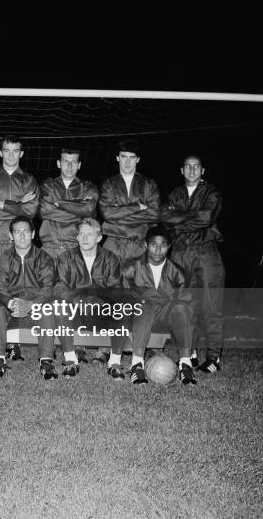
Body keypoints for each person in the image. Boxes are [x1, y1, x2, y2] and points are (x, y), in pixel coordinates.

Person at [96, 140, 160, 364]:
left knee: (138, 297)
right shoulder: (108, 184)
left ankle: (137, 346)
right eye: (124, 156)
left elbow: (153, 215)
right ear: (117, 158)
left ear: (138, 160)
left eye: (132, 157)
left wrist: (121, 212)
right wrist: (136, 208)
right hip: (113, 244)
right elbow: (107, 215)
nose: (127, 161)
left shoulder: (149, 184)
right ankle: (107, 347)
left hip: (139, 245)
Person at [161, 155, 225, 373]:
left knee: (210, 306)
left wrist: (178, 221)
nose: (191, 170)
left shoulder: (211, 192)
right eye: (187, 167)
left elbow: (205, 218)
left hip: (205, 253)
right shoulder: (176, 193)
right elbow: (164, 217)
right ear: (181, 170)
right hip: (179, 253)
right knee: (184, 306)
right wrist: (187, 218)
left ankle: (214, 357)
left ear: (202, 170)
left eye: (196, 166)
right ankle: (189, 353)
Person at [54, 218, 130, 380]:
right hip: (76, 313)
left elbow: (116, 290)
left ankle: (114, 363)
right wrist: (79, 300)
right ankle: (70, 360)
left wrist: (96, 300)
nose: (84, 238)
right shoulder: (65, 258)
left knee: (122, 307)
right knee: (59, 306)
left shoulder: (111, 258)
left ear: (99, 238)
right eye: (81, 234)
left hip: (100, 313)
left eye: (89, 234)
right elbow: (59, 288)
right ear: (77, 237)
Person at [123, 225, 196, 385]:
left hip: (164, 316)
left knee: (183, 308)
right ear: (146, 245)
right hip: (139, 314)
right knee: (144, 305)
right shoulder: (131, 268)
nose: (158, 249)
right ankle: (137, 365)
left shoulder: (178, 272)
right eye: (153, 244)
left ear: (168, 247)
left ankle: (185, 364)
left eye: (163, 245)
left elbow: (186, 302)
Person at [0, 217, 55, 377]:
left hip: (34, 307)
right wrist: (11, 303)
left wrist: (31, 304)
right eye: (17, 232)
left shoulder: (44, 258)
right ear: (11, 236)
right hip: (11, 307)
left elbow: (48, 288)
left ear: (33, 234)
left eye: (26, 231)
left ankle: (46, 361)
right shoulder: (3, 259)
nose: (22, 236)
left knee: (48, 309)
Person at [0, 135, 40, 261]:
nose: (11, 156)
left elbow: (30, 212)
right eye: (7, 151)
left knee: (19, 280)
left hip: (19, 243)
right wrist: (19, 205)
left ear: (21, 154)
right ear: (0, 153)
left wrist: (0, 204)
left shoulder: (29, 180)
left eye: (15, 151)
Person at [39, 148, 98, 259]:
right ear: (58, 163)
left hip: (75, 249)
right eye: (66, 161)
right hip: (49, 249)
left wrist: (60, 203)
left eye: (74, 162)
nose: (70, 166)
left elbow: (89, 210)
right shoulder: (48, 186)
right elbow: (45, 210)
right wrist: (78, 211)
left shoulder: (87, 187)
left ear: (79, 165)